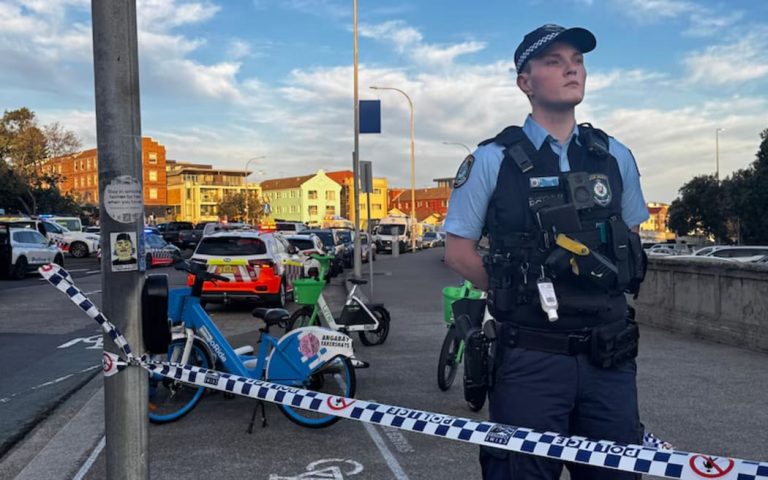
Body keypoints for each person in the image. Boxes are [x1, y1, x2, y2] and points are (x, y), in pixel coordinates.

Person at [443, 24, 649, 480]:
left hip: (608, 358)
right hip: (530, 360)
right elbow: (458, 252)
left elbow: (628, 241)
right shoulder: (491, 161)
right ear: (525, 81)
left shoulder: (615, 157)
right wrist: (519, 292)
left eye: (577, 59)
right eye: (554, 61)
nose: (571, 68)